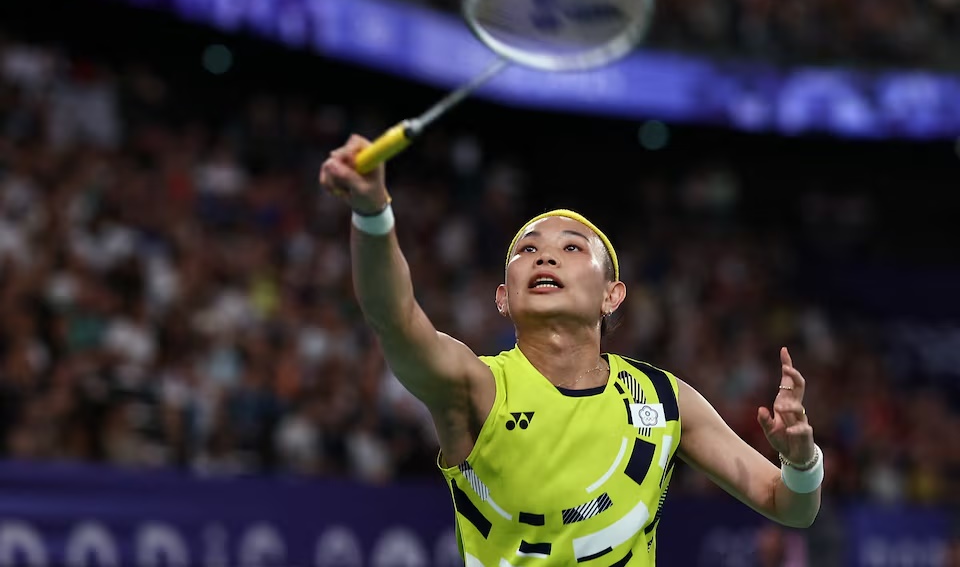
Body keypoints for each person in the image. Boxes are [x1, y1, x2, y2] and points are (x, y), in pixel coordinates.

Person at [319, 135, 823, 567]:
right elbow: (395, 319)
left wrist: (801, 462)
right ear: (503, 297)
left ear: (612, 295)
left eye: (573, 248)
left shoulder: (665, 402)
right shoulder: (476, 387)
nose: (546, 255)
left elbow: (789, 506)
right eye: (527, 249)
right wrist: (372, 212)